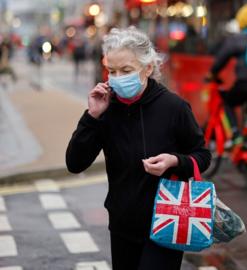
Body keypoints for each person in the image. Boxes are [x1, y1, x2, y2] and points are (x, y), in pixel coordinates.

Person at [65, 27, 211, 270]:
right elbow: (74, 163)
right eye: (112, 71)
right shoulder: (106, 110)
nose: (118, 77)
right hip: (122, 224)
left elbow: (202, 155)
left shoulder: (173, 107)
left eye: (126, 70)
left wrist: (174, 161)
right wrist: (91, 116)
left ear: (148, 68)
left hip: (166, 220)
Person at [207, 4, 247, 142]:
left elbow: (221, 59)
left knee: (228, 101)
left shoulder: (238, 39)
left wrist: (212, 73)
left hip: (245, 85)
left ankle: (236, 134)